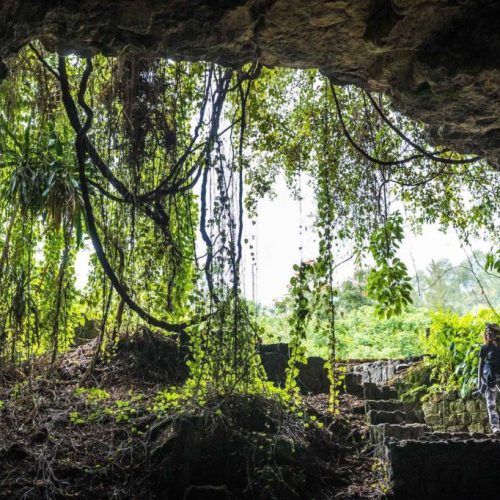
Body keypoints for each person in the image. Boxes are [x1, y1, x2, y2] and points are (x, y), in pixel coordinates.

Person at [478, 323, 500, 433]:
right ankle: (495, 427)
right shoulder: (484, 348)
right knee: (491, 404)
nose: (488, 334)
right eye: (486, 332)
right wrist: (479, 381)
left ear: (497, 333)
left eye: (491, 331)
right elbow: (480, 365)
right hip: (488, 377)